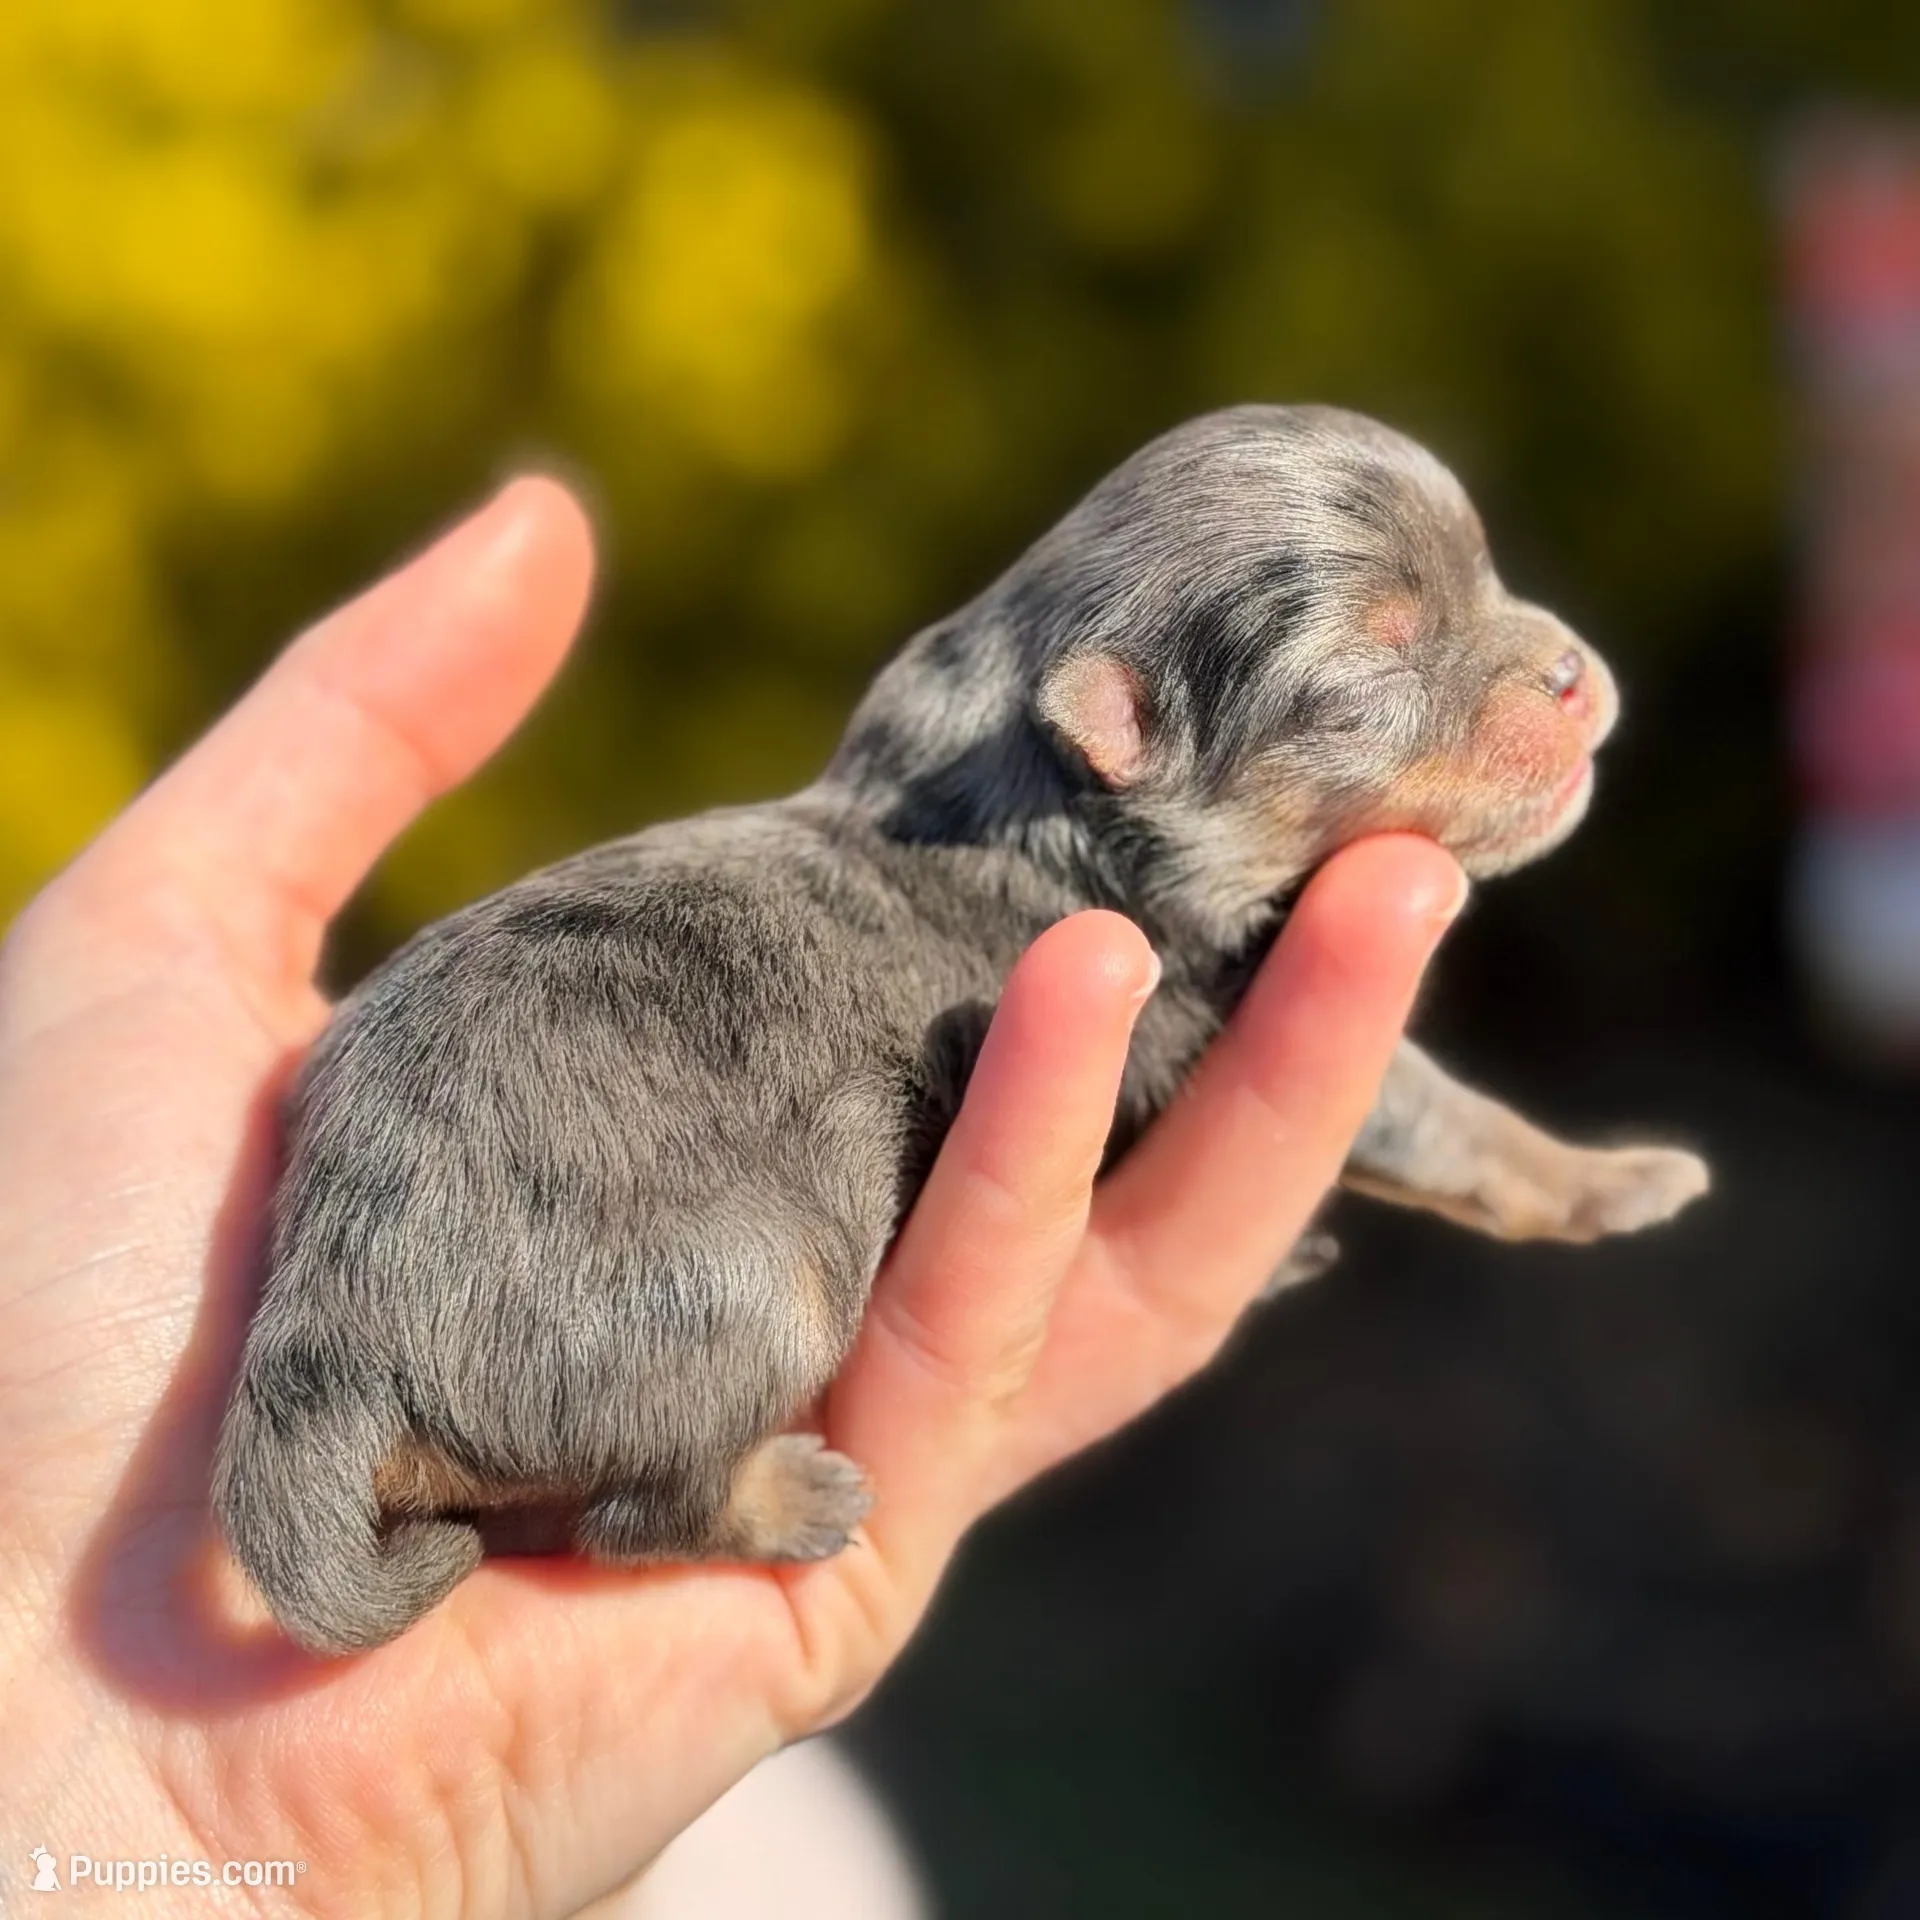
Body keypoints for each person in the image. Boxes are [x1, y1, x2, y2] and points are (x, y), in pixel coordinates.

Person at [0, 478, 1464, 1915]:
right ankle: (678, 1496)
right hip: (501, 1320)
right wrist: (137, 1806)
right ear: (1114, 730)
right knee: (763, 1295)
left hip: (422, 1291)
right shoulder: (1039, 925)